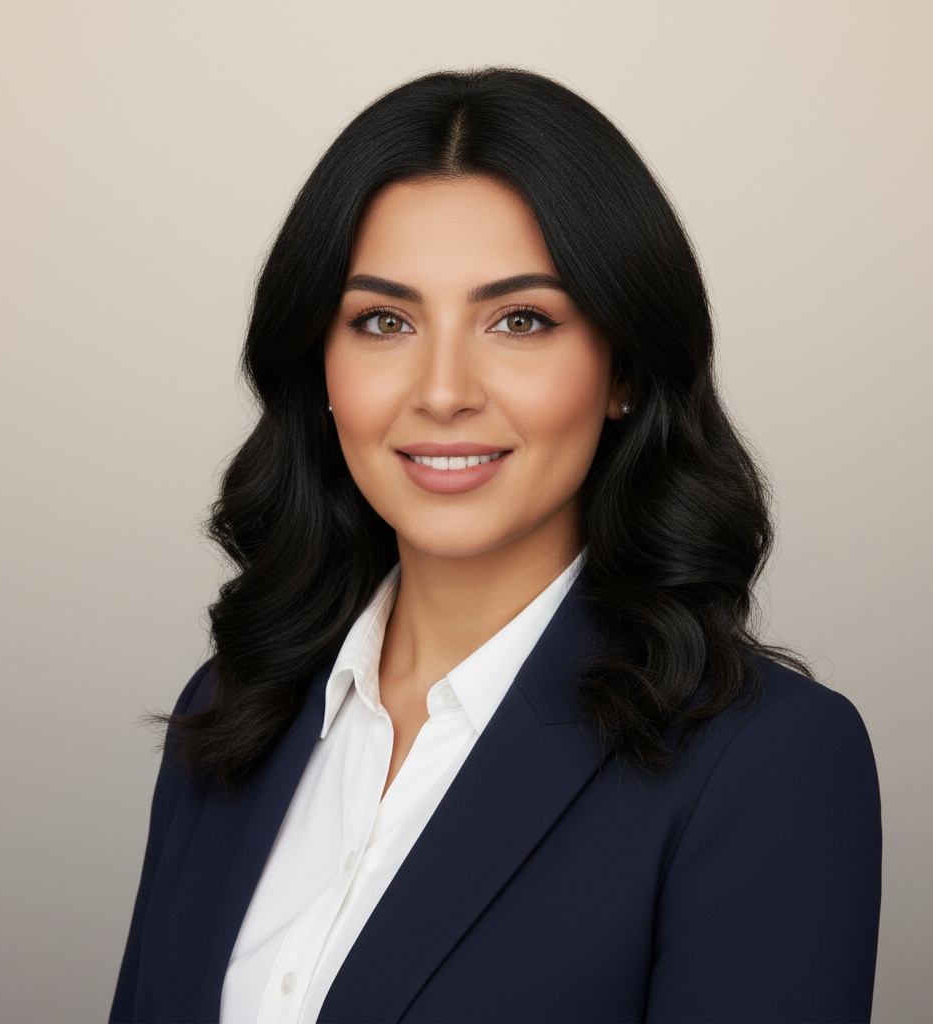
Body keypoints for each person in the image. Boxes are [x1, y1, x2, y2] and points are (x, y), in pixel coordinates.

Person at [110, 68, 881, 1023]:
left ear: (624, 370)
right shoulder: (235, 707)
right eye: (383, 321)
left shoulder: (769, 762)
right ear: (321, 369)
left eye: (520, 320)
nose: (442, 391)